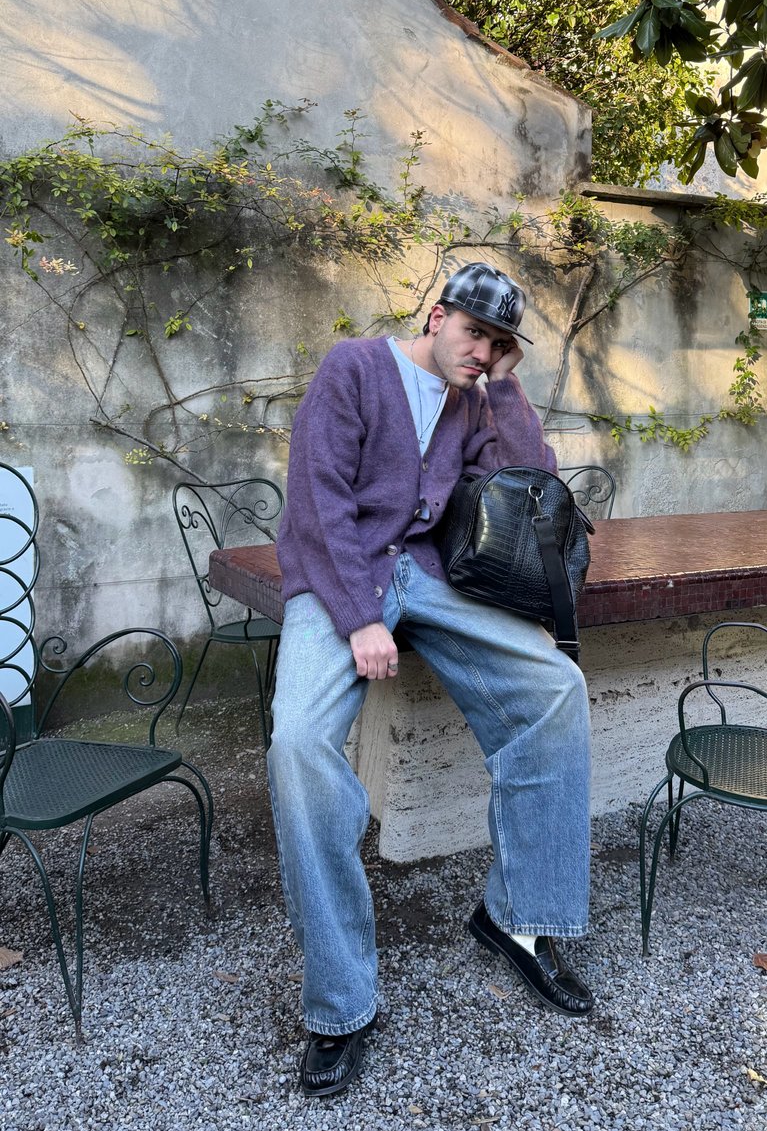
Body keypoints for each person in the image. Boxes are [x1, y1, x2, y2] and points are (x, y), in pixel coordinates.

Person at [268, 262, 593, 1098]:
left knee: (555, 689)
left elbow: (532, 480)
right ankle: (341, 1003)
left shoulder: (475, 394)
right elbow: (317, 502)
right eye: (473, 333)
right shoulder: (354, 366)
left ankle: (517, 919)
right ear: (437, 314)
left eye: (497, 343)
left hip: (426, 576)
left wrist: (506, 390)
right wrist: (358, 616)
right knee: (300, 742)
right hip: (336, 577)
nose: (481, 351)